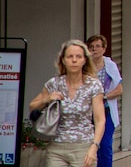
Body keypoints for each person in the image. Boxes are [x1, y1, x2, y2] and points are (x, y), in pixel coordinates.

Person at [29, 39, 106, 166]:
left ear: (84, 60)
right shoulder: (54, 83)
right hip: (56, 147)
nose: (74, 60)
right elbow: (32, 106)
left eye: (78, 56)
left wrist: (94, 147)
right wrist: (47, 99)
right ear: (63, 60)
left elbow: (100, 120)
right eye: (70, 56)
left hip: (83, 146)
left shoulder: (93, 85)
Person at [87, 35, 123, 167]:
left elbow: (119, 89)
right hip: (87, 112)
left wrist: (104, 97)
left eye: (97, 46)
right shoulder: (84, 66)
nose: (94, 49)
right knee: (87, 145)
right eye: (91, 47)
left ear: (104, 48)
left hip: (106, 110)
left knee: (105, 145)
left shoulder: (110, 65)